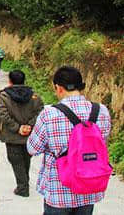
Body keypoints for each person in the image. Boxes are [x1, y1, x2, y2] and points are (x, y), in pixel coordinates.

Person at [27, 66, 111, 215]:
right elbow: (101, 142)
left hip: (59, 189)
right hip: (89, 185)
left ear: (58, 88)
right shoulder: (101, 110)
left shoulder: (49, 113)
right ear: (81, 86)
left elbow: (33, 148)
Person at [0, 70, 44, 197]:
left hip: (12, 135)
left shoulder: (4, 96)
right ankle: (24, 182)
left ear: (10, 81)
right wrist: (29, 125)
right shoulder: (34, 96)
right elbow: (40, 111)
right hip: (29, 135)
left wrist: (17, 128)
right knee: (25, 159)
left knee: (16, 160)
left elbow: (3, 114)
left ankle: (22, 187)